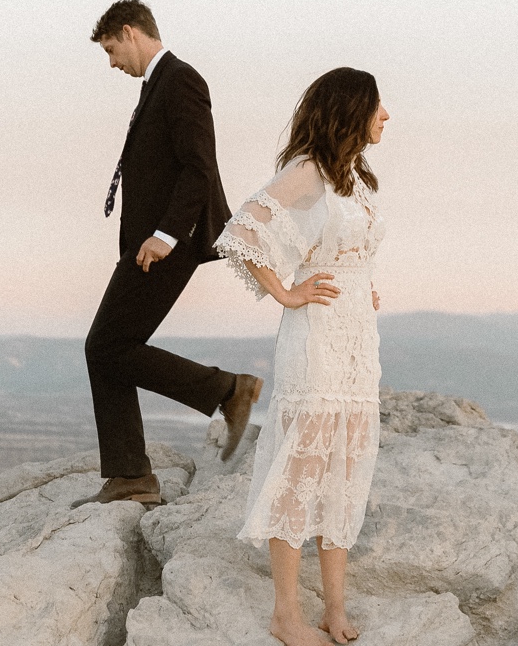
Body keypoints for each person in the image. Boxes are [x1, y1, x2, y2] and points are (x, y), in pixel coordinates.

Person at [214, 67, 390, 646]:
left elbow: (343, 247)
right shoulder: (307, 172)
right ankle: (286, 614)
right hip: (315, 340)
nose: (386, 117)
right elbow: (243, 226)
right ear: (350, 111)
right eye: (377, 107)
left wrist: (360, 283)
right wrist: (286, 291)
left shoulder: (354, 179)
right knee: (303, 469)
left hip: (357, 340)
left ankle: (335, 608)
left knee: (344, 467)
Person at [73, 0, 264, 510]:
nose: (112, 62)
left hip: (164, 245)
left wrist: (166, 235)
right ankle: (131, 473)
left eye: (112, 50)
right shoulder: (156, 84)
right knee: (109, 349)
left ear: (131, 33)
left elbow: (199, 165)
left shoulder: (180, 80)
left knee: (105, 347)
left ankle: (227, 391)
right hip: (149, 245)